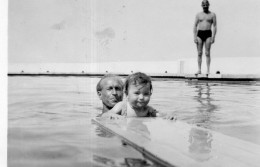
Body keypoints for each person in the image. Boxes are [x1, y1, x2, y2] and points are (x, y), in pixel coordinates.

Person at [103, 72, 175, 119]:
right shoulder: (122, 106)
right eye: (137, 93)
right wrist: (113, 115)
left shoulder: (148, 109)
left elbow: (160, 115)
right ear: (127, 94)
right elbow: (105, 115)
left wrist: (167, 116)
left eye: (146, 94)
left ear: (150, 94)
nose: (141, 98)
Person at [193, 0, 217, 75]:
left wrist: (213, 37)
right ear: (202, 6)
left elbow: (215, 26)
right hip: (200, 33)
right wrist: (194, 36)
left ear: (208, 5)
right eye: (203, 5)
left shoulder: (212, 15)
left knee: (207, 53)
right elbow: (195, 25)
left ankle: (208, 70)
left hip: (208, 33)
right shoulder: (198, 15)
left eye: (206, 5)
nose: (205, 6)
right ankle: (199, 69)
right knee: (199, 53)